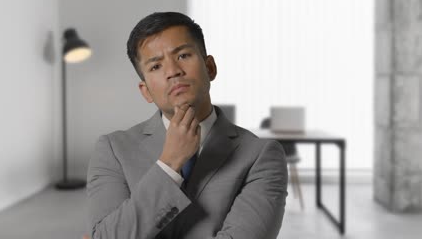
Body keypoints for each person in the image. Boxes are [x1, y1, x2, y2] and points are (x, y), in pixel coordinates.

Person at [87, 12, 288, 239]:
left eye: (183, 55)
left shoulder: (261, 155)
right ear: (146, 91)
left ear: (210, 67)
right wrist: (169, 165)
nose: (173, 71)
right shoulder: (113, 150)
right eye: (156, 67)